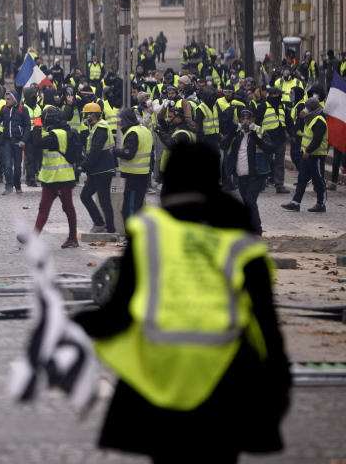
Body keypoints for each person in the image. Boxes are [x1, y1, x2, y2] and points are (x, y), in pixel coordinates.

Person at [75, 143, 290, 463]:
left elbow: (119, 314)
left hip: (161, 379)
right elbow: (265, 324)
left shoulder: (149, 231)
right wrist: (276, 382)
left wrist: (75, 326)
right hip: (226, 383)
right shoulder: (240, 241)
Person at [31, 106, 78, 247]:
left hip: (61, 178)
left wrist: (36, 126)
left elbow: (38, 143)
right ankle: (34, 237)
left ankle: (72, 238)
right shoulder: (57, 132)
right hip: (51, 178)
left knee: (67, 208)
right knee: (44, 208)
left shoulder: (57, 134)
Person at [224, 108, 274, 234]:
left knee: (250, 200)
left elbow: (269, 148)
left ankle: (257, 229)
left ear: (253, 119)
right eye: (243, 118)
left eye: (248, 118)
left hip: (257, 173)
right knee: (246, 201)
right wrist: (232, 132)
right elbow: (223, 145)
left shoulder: (260, 131)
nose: (246, 121)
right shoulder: (237, 133)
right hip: (241, 173)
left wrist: (253, 134)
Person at [281, 97, 328, 213]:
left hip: (315, 155)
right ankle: (295, 203)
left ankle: (321, 204)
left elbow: (317, 139)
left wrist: (308, 150)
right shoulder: (309, 118)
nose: (305, 109)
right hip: (307, 155)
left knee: (318, 180)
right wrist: (301, 117)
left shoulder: (319, 120)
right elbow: (303, 131)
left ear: (312, 108)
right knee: (302, 178)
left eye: (307, 107)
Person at [79, 103, 116, 234]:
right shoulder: (95, 127)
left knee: (104, 199)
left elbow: (95, 151)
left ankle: (110, 229)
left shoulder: (101, 128)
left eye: (86, 114)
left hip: (103, 169)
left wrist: (83, 166)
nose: (85, 117)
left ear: (93, 115)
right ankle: (100, 223)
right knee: (85, 196)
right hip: (97, 170)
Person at [114, 107, 154, 220]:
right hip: (143, 174)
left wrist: (115, 151)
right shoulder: (144, 130)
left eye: (121, 119)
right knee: (138, 206)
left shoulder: (132, 133)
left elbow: (128, 154)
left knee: (130, 209)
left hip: (133, 176)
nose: (120, 122)